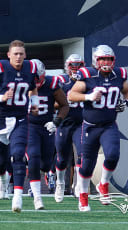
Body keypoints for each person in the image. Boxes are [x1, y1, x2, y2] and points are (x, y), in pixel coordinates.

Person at [68, 45, 128, 212]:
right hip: (90, 127)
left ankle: (103, 183)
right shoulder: (88, 75)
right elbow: (71, 95)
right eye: (102, 59)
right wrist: (88, 96)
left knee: (112, 155)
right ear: (95, 61)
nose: (106, 62)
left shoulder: (119, 75)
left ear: (114, 60)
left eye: (109, 59)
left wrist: (125, 103)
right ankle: (83, 196)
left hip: (109, 125)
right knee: (87, 165)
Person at [0, 40, 39, 213]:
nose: (18, 57)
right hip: (0, 119)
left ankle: (17, 197)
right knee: (0, 161)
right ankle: (2, 181)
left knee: (18, 156)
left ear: (25, 55)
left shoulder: (30, 68)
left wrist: (34, 103)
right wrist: (1, 98)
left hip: (20, 118)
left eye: (21, 54)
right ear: (9, 55)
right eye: (15, 54)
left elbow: (33, 89)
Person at [26, 59, 68, 209]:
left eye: (38, 78)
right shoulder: (21, 83)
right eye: (33, 78)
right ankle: (37, 197)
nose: (36, 81)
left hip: (47, 126)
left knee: (45, 163)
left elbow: (64, 105)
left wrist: (56, 122)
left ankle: (47, 173)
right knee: (34, 157)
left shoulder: (52, 83)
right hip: (29, 125)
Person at [54, 53, 85, 203]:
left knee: (82, 155)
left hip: (81, 124)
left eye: (78, 65)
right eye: (73, 66)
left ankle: (78, 185)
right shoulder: (61, 81)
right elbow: (53, 102)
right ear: (67, 67)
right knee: (61, 159)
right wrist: (64, 102)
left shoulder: (87, 81)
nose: (76, 68)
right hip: (64, 124)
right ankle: (60, 183)